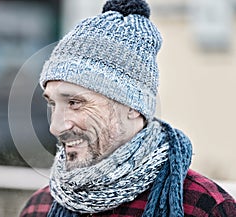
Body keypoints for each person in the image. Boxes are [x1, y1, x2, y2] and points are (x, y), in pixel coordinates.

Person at [20, 0, 236, 216]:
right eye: (52, 103)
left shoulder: (202, 208)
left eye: (75, 103)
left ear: (133, 105)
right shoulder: (39, 207)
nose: (56, 127)